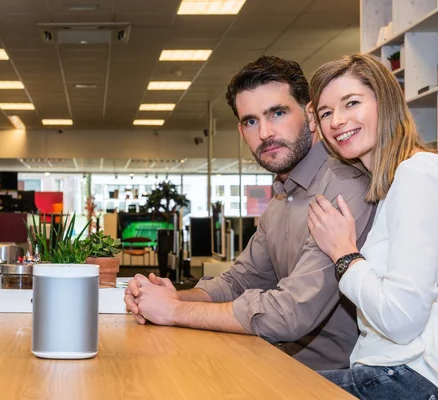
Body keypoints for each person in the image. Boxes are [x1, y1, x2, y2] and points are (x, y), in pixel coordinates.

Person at [124, 55, 376, 370]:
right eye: (251, 121)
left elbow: (291, 312)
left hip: (332, 380)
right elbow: (239, 281)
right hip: (276, 361)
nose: (265, 132)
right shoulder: (281, 201)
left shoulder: (342, 188)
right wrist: (172, 297)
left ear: (311, 116)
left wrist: (174, 312)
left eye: (278, 113)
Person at [307, 53, 438, 399]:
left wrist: (344, 254)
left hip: (420, 376)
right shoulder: (400, 182)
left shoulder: (419, 173)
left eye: (352, 103)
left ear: (385, 102)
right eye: (326, 112)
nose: (337, 121)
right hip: (405, 373)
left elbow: (402, 319)